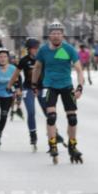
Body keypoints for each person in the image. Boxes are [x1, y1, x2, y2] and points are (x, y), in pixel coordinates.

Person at [31, 22, 84, 163]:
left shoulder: (69, 49)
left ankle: (72, 145)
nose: (56, 36)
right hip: (50, 86)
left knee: (72, 118)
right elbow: (37, 68)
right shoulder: (43, 50)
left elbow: (79, 69)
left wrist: (79, 87)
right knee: (51, 116)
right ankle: (52, 144)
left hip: (66, 85)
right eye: (53, 33)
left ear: (62, 35)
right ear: (49, 35)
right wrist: (34, 84)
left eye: (58, 33)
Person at [7, 39, 48, 149]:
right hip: (28, 88)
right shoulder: (24, 60)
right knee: (31, 112)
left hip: (42, 88)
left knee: (48, 112)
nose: (36, 50)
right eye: (34, 48)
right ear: (29, 50)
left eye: (37, 48)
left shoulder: (43, 59)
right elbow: (16, 74)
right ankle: (33, 135)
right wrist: (9, 85)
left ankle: (54, 132)